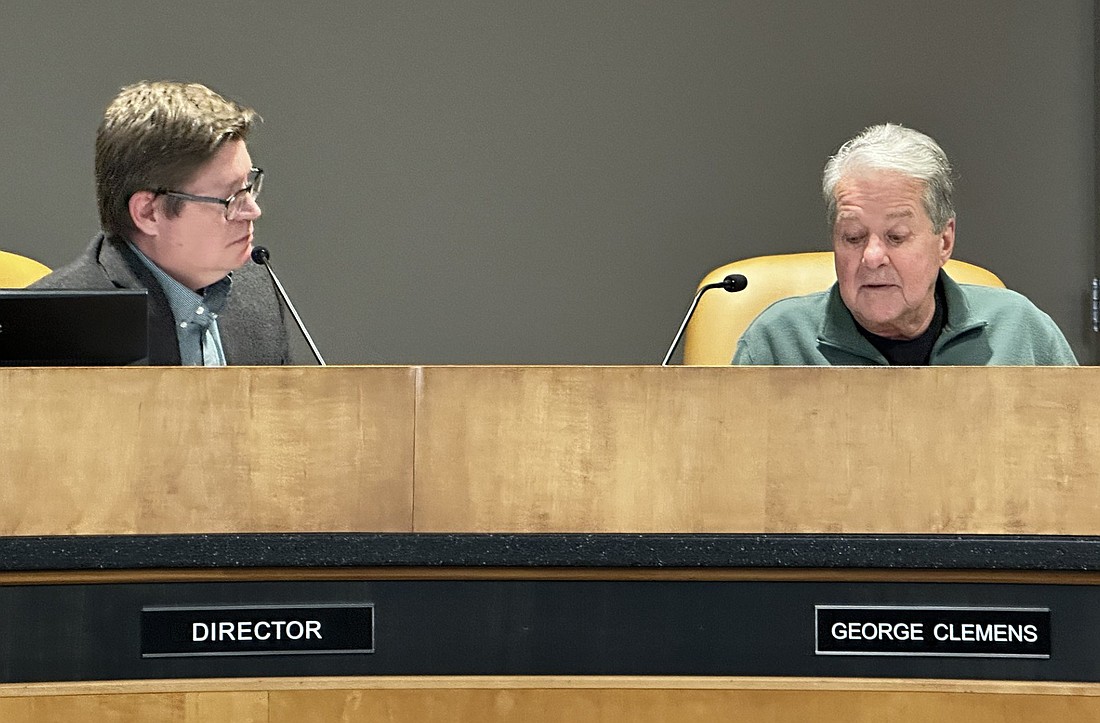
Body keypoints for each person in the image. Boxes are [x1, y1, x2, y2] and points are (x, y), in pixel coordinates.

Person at [732, 123, 1077, 366]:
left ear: (944, 241)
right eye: (853, 237)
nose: (872, 257)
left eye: (896, 237)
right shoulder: (777, 343)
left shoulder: (1019, 331)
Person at [32, 80, 291, 365]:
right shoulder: (57, 327)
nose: (253, 210)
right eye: (230, 199)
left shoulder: (256, 294)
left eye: (248, 186)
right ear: (148, 213)